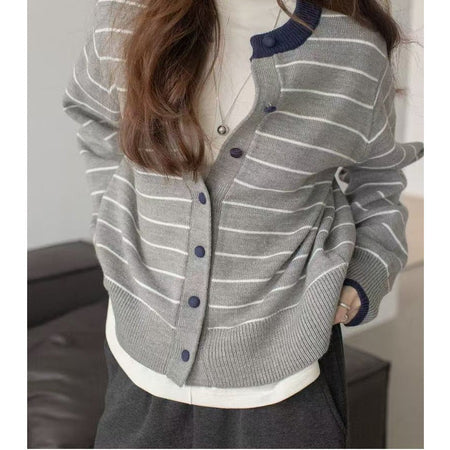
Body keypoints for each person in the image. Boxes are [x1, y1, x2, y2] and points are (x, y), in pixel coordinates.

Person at [61, 0, 424, 448]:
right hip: (138, 361)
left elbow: (378, 177)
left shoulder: (353, 53)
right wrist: (111, 220)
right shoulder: (126, 22)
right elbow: (94, 117)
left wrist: (365, 272)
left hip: (288, 374)